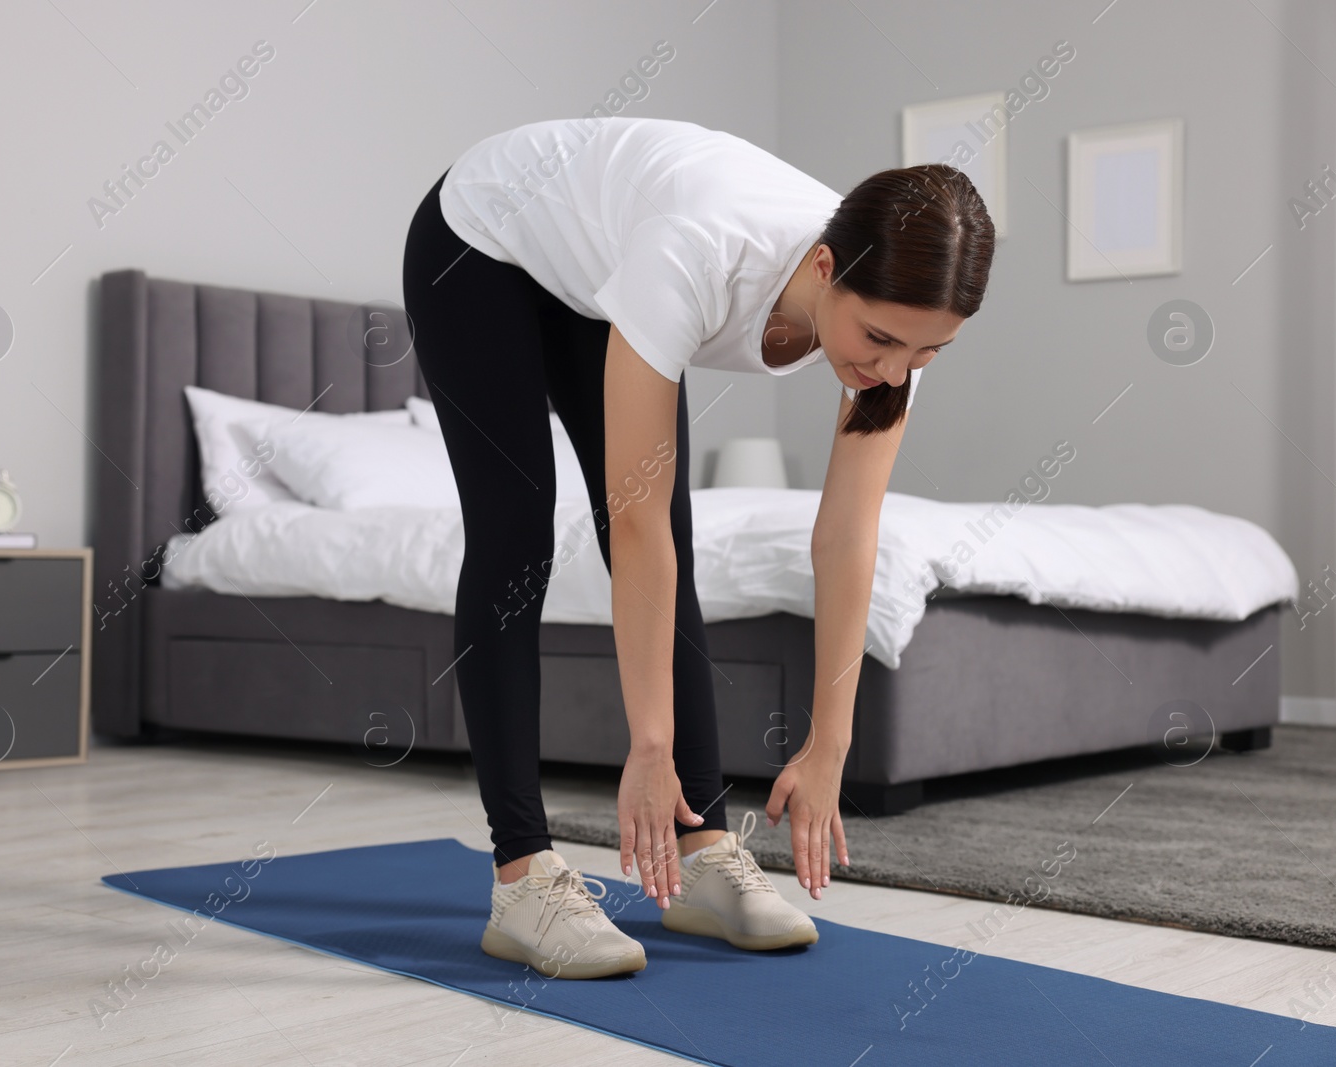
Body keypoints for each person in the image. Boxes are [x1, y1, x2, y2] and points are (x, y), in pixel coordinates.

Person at [401, 116, 994, 979]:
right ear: (825, 270)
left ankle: (703, 852)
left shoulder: (897, 311)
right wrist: (649, 744)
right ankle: (523, 873)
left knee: (673, 527)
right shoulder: (697, 252)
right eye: (880, 341)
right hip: (484, 233)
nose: (897, 371)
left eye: (928, 351)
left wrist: (830, 743)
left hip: (596, 251)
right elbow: (632, 521)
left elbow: (847, 532)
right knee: (518, 526)